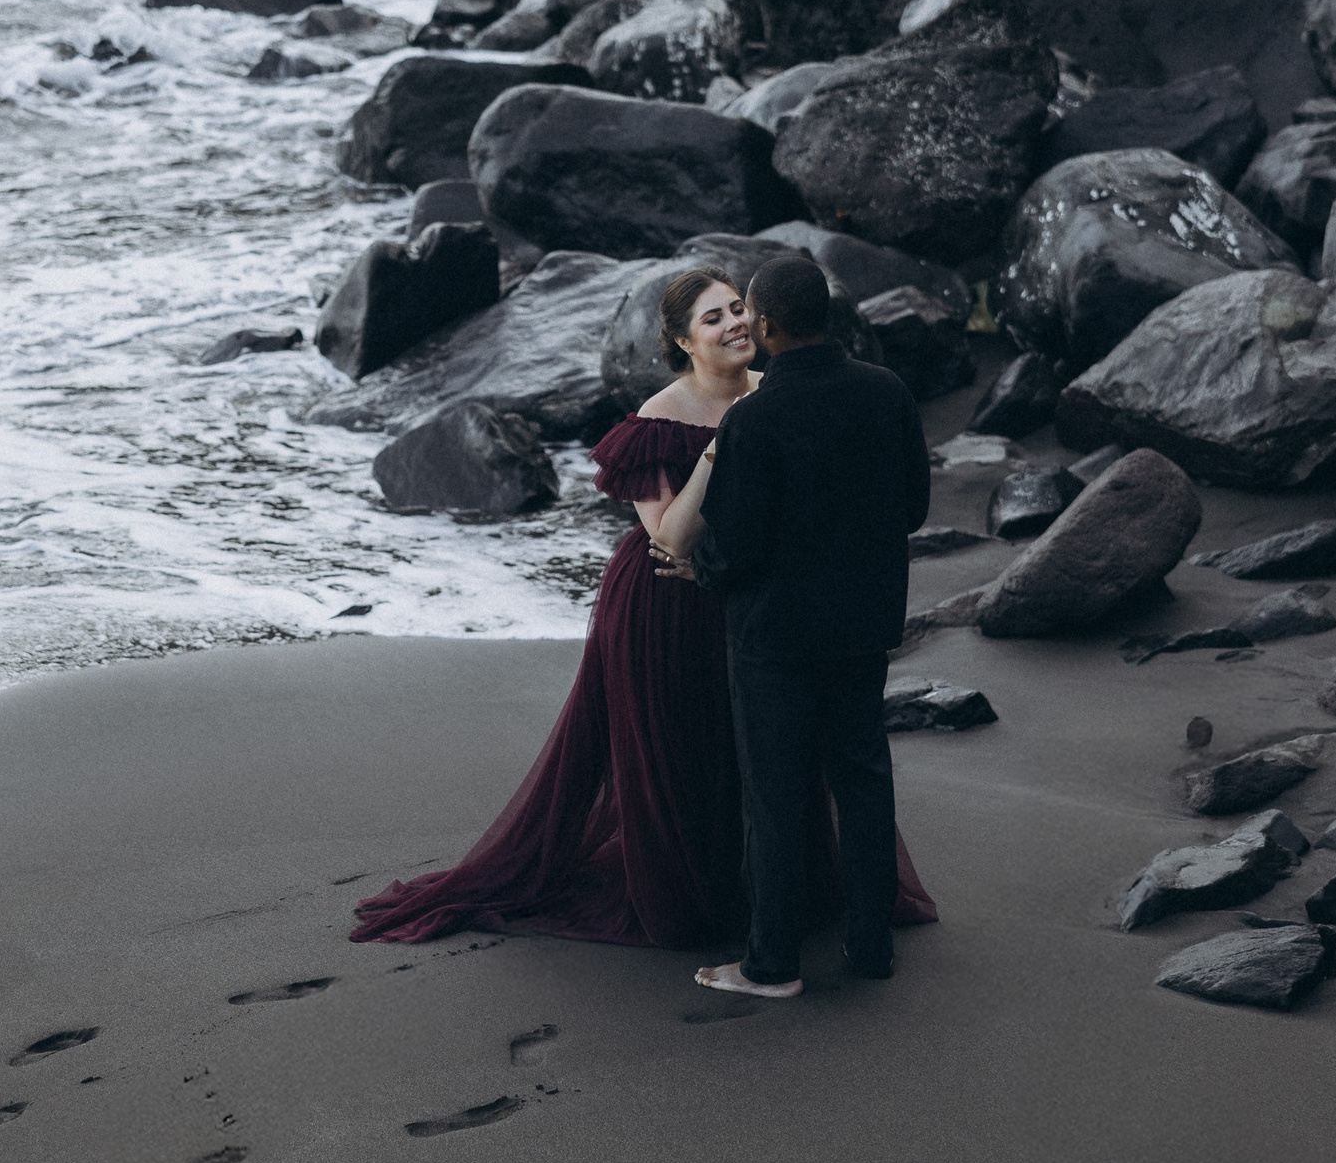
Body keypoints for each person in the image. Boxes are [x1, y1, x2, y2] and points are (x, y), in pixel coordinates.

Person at [350, 268, 933, 949]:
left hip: (756, 600)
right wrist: (719, 449)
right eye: (713, 318)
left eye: (738, 309)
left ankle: (777, 907)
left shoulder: (784, 393)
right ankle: (711, 902)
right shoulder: (657, 420)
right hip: (668, 601)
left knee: (766, 763)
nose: (734, 324)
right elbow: (668, 539)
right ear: (682, 341)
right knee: (697, 756)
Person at [652, 254, 934, 998]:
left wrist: (700, 568)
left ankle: (771, 963)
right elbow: (913, 508)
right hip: (863, 627)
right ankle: (871, 948)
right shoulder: (888, 392)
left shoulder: (756, 416)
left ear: (768, 325)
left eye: (749, 314)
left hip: (773, 639)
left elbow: (735, 543)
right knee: (865, 783)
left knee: (774, 796)